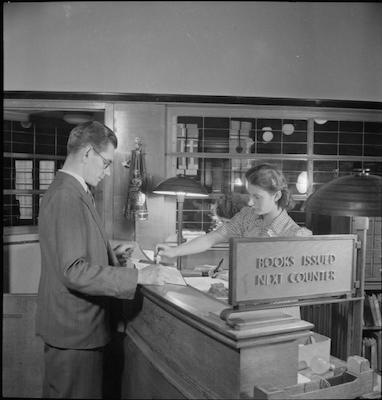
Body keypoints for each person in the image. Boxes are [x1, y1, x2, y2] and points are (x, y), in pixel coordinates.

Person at [36, 121, 172, 399]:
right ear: (87, 153)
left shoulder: (75, 190)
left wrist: (108, 251)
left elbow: (69, 247)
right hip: (75, 332)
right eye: (106, 163)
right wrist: (140, 276)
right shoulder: (66, 195)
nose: (108, 172)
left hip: (74, 329)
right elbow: (73, 270)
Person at [157, 163, 312, 260]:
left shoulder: (296, 235)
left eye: (257, 197)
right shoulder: (247, 215)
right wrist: (174, 251)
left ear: (277, 195)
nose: (251, 202)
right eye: (250, 195)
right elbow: (213, 237)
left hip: (277, 309)